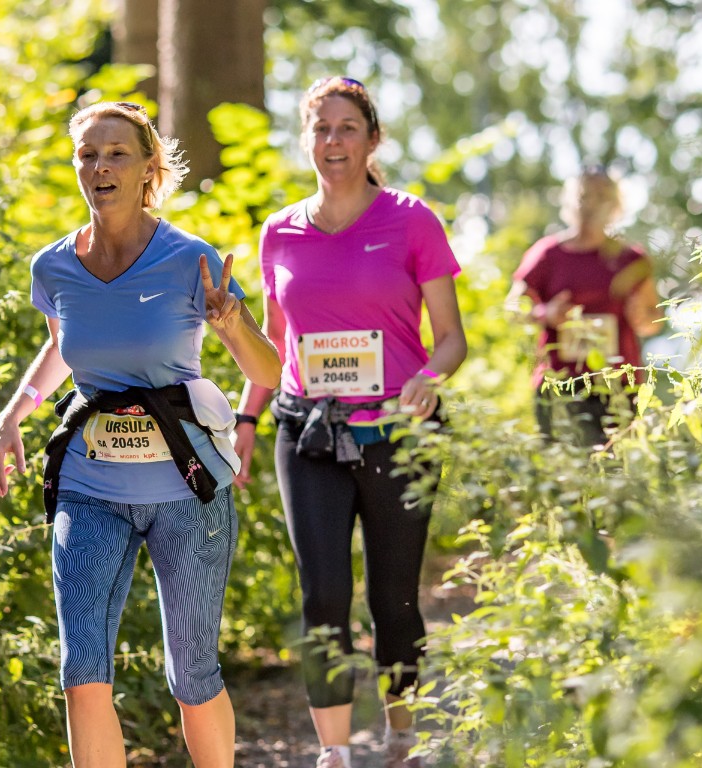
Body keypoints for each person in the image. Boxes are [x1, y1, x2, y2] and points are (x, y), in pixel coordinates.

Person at [0, 101, 281, 768]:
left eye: (116, 153)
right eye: (88, 154)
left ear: (148, 167)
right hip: (89, 487)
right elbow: (62, 347)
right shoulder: (53, 267)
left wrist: (233, 325)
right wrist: (11, 418)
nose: (100, 166)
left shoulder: (190, 259)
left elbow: (269, 371)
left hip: (188, 491)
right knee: (81, 668)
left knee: (192, 673)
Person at [231, 77, 467, 768]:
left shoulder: (411, 220)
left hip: (400, 432)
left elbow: (451, 339)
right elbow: (274, 351)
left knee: (394, 598)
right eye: (321, 129)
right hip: (307, 433)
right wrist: (245, 420)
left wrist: (429, 379)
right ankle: (333, 753)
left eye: (347, 128)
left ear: (372, 140)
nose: (333, 141)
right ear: (307, 140)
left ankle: (401, 738)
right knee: (324, 596)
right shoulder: (280, 231)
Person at [504, 166, 663, 447]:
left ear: (616, 205)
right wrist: (545, 313)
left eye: (601, 197)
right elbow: (513, 307)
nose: (591, 204)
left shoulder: (631, 259)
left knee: (612, 468)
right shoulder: (548, 254)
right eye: (583, 196)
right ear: (569, 201)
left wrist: (642, 317)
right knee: (562, 468)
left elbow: (654, 321)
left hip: (617, 387)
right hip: (559, 384)